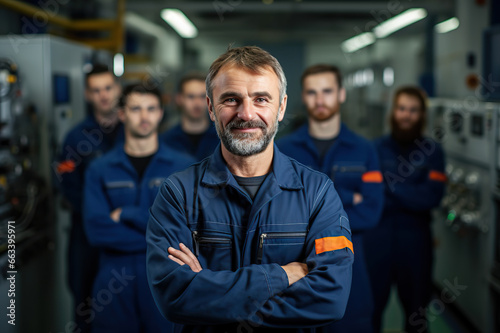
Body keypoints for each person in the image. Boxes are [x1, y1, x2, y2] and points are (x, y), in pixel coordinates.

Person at [146, 46, 354, 333]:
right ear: (210, 107)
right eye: (231, 99)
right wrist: (283, 275)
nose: (246, 113)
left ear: (281, 108)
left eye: (261, 99)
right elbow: (175, 298)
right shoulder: (179, 194)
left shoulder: (317, 193)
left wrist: (213, 297)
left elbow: (331, 299)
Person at [278, 64, 384, 333]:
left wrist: (308, 212)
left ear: (341, 94)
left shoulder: (364, 149)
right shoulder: (283, 150)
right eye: (312, 92)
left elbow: (371, 212)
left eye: (327, 91)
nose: (320, 100)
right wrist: (350, 197)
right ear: (303, 97)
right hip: (296, 276)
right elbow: (278, 212)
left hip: (350, 275)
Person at [83, 83, 195, 333]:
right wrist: (160, 236)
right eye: (135, 109)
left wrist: (126, 214)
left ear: (161, 113)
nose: (144, 117)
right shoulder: (100, 169)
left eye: (151, 108)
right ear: (121, 114)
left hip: (166, 278)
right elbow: (96, 230)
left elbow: (186, 228)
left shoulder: (183, 167)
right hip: (113, 282)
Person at [364, 86, 446, 333]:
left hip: (416, 244)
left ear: (422, 115)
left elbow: (431, 198)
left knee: (417, 316)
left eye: (413, 110)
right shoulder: (374, 149)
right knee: (370, 312)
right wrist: (409, 190)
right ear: (393, 112)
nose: (406, 115)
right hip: (377, 242)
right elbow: (371, 198)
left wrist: (389, 185)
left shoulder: (433, 152)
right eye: (402, 109)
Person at [56, 64, 123, 332]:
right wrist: (99, 216)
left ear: (117, 89)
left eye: (108, 88)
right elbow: (66, 183)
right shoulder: (75, 138)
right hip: (86, 235)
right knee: (84, 296)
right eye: (96, 90)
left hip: (128, 232)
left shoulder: (136, 130)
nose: (103, 95)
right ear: (87, 95)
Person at [161, 72, 219, 160]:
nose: (197, 103)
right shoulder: (166, 141)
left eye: (202, 96)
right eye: (191, 96)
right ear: (179, 99)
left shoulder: (221, 138)